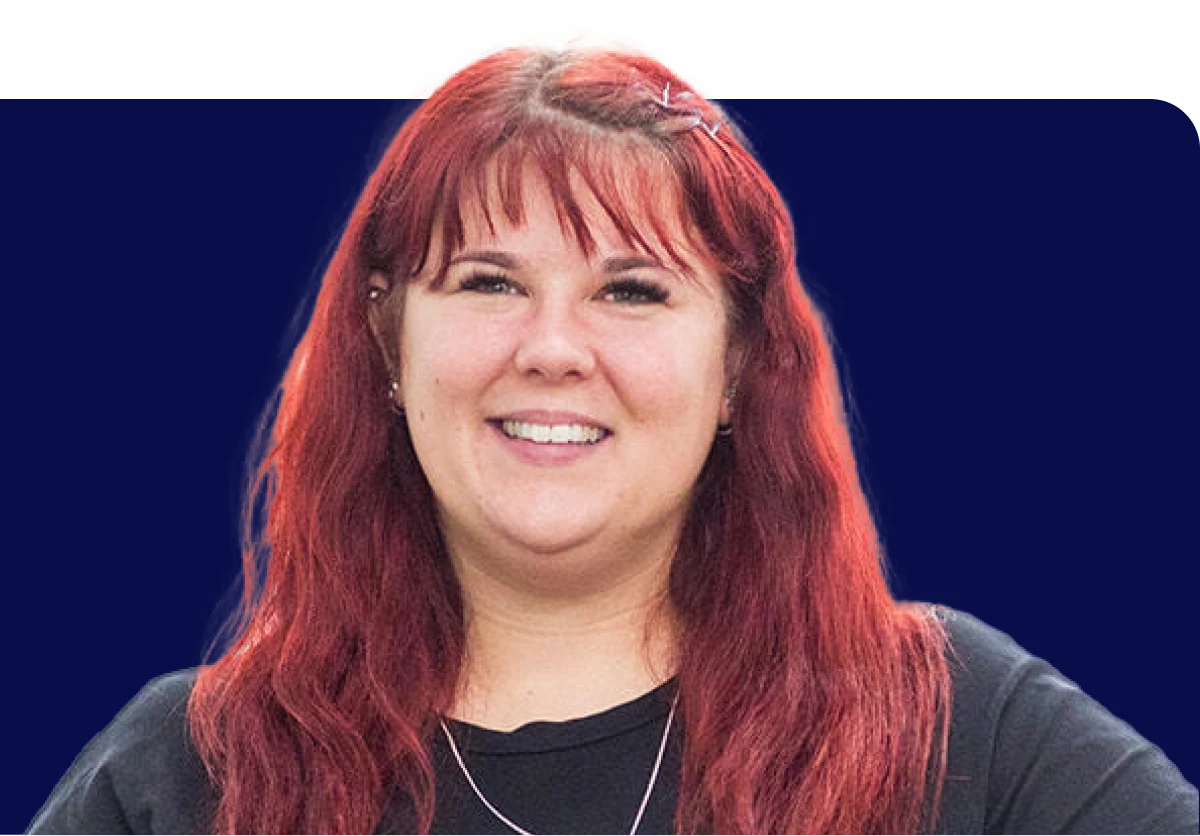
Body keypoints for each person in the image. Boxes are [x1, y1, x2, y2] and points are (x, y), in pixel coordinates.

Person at [25, 32, 1198, 836]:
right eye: (487, 281)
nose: (552, 345)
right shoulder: (194, 773)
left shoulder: (955, 727)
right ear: (388, 341)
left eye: (631, 290)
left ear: (739, 361)